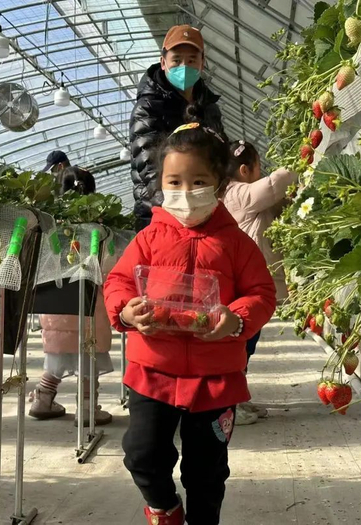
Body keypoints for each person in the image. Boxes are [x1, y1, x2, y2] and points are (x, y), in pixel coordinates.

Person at [104, 122, 276, 525]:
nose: (185, 192)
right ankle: (164, 509)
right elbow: (118, 281)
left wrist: (236, 319)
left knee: (206, 471)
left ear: (219, 184)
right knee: (142, 454)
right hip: (152, 370)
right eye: (174, 182)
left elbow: (262, 294)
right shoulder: (148, 238)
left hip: (215, 378)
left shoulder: (236, 244)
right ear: (161, 184)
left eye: (198, 182)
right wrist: (126, 311)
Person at [29, 166, 112, 427]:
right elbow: (107, 266)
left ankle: (42, 399)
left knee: (58, 355)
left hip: (55, 309)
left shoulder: (50, 225)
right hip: (88, 307)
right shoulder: (98, 229)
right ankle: (87, 408)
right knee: (88, 357)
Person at [222, 140, 298, 426]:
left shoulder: (245, 198)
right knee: (240, 343)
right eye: (258, 168)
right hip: (244, 284)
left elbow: (273, 206)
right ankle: (228, 403)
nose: (262, 173)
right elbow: (274, 185)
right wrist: (300, 164)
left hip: (251, 283)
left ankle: (238, 398)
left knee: (246, 341)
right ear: (244, 170)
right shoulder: (237, 193)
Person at [130, 25, 225, 232]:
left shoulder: (209, 108)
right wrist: (178, 207)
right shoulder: (148, 107)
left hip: (203, 209)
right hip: (159, 213)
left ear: (202, 63)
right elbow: (149, 165)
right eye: (176, 60)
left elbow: (220, 156)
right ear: (163, 62)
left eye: (191, 60)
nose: (184, 66)